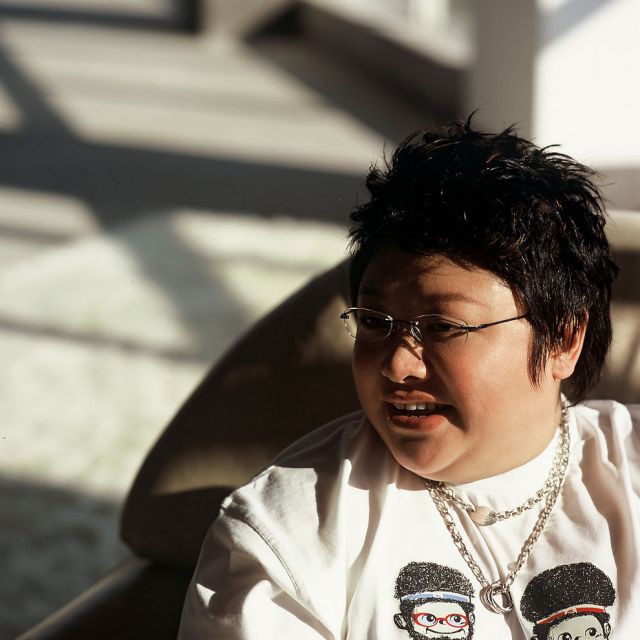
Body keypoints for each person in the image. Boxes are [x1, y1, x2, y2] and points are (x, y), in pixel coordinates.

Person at [177, 120, 640, 638]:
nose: (398, 365)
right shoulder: (286, 536)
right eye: (375, 322)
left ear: (562, 340)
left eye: (442, 327)